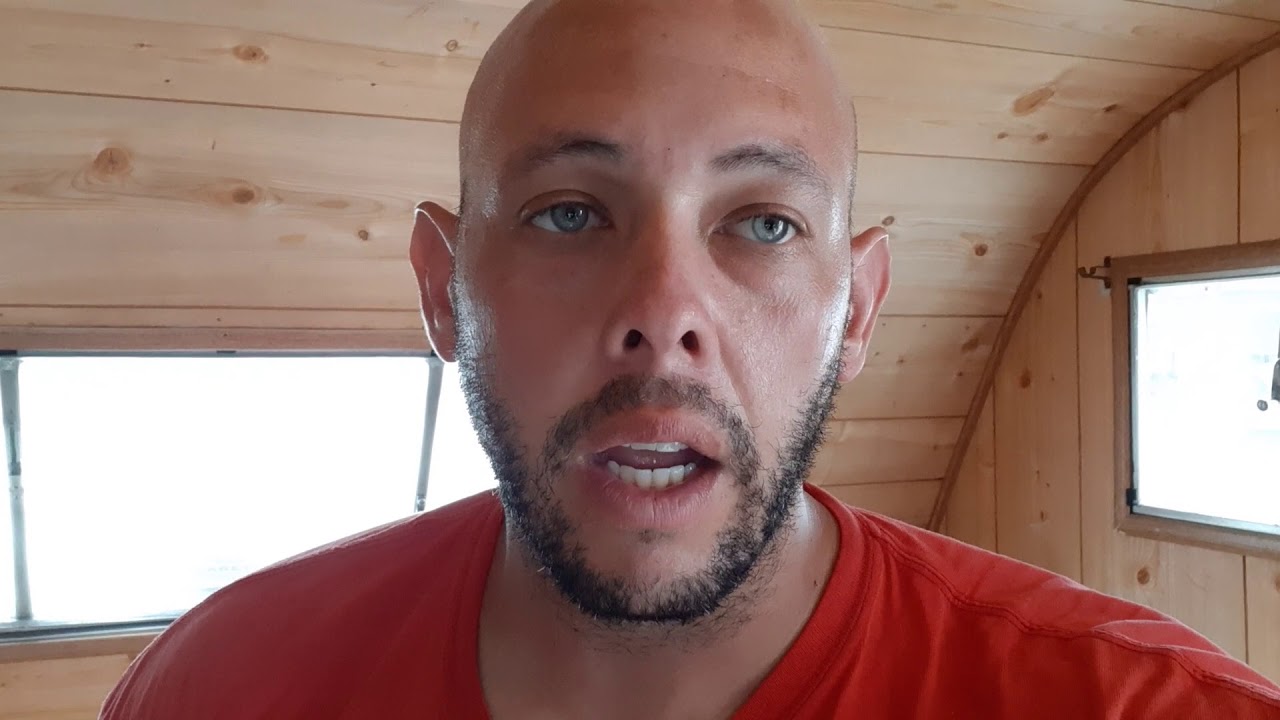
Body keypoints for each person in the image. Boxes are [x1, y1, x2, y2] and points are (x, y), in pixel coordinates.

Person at [101, 1, 1280, 718]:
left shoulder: (1143, 710)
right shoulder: (216, 689)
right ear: (441, 291)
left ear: (856, 310)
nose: (662, 315)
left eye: (760, 223)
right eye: (570, 213)